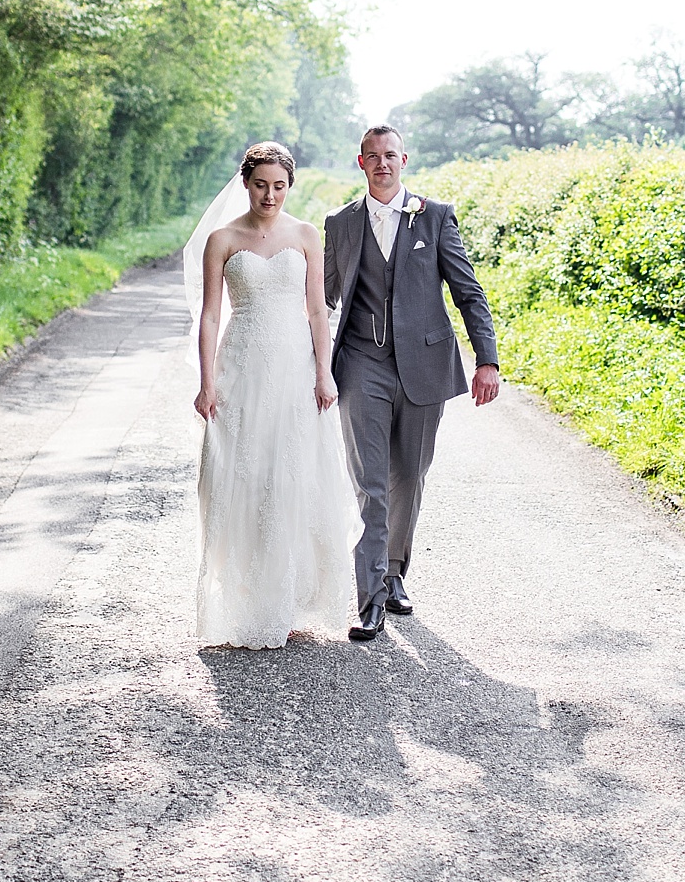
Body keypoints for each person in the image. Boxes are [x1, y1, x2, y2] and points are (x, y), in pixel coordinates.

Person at [322, 125, 500, 641]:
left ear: (405, 159)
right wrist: (301, 359)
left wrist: (486, 360)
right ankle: (371, 596)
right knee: (371, 483)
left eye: (391, 155)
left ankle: (396, 572)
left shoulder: (436, 216)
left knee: (409, 476)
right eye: (373, 157)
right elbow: (324, 298)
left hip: (422, 363)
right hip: (360, 363)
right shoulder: (341, 223)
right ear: (361, 163)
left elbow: (469, 292)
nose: (383, 164)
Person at [187, 141, 362, 648]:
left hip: (293, 368)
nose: (270, 195)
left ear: (290, 186)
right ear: (245, 183)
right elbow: (211, 316)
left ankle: (286, 597)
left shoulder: (307, 235)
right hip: (241, 368)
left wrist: (324, 374)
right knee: (242, 476)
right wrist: (206, 382)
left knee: (290, 475)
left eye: (279, 186)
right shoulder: (222, 239)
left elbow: (316, 313)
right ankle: (242, 594)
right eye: (261, 184)